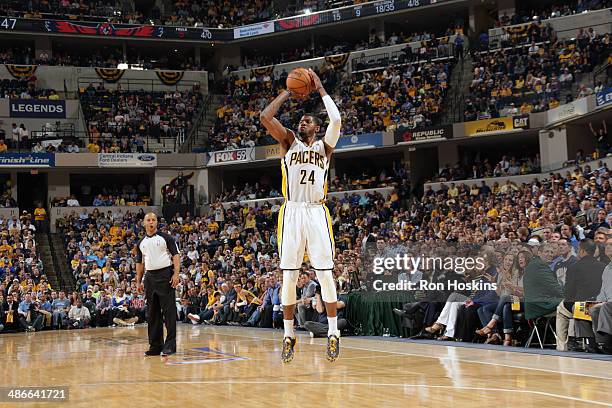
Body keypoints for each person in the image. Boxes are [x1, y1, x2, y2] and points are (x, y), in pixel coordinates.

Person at [260, 68, 342, 363]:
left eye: (307, 120)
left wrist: (319, 88)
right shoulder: (289, 142)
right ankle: (288, 335)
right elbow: (265, 118)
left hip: (316, 211)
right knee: (289, 276)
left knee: (325, 273)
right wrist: (287, 92)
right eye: (301, 120)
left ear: (316, 128)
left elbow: (337, 120)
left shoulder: (325, 147)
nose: (301, 122)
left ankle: (333, 333)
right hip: (292, 210)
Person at [135, 212, 181, 357]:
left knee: (169, 312)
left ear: (157, 222)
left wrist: (176, 274)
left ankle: (170, 345)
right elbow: (139, 263)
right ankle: (155, 345)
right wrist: (138, 281)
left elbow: (176, 255)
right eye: (148, 220)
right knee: (152, 313)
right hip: (149, 278)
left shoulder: (166, 238)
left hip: (165, 275)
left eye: (153, 220)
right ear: (144, 223)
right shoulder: (140, 243)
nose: (151, 222)